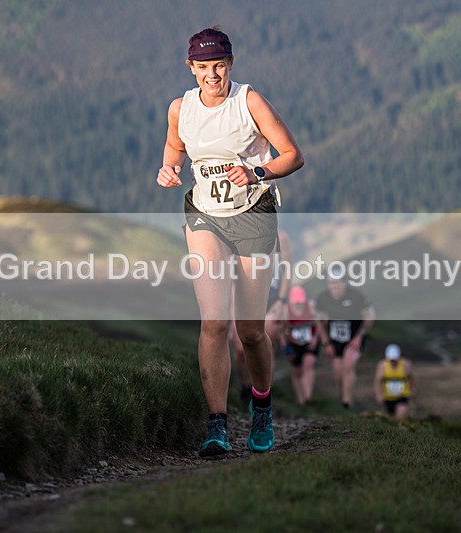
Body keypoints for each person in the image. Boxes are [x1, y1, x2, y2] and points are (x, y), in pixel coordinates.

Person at [157, 27, 304, 456]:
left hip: (254, 218)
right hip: (205, 218)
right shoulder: (180, 108)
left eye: (219, 65)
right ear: (191, 68)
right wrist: (168, 170)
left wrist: (258, 173)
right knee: (215, 323)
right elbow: (174, 148)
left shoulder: (249, 102)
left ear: (231, 64)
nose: (212, 75)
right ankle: (217, 425)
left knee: (251, 331)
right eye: (203, 67)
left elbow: (293, 155)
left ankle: (261, 407)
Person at [231, 228, 292, 403]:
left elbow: (287, 269)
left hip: (271, 299)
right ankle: (245, 387)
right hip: (245, 298)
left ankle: (263, 397)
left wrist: (282, 300)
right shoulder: (239, 233)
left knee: (265, 345)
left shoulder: (281, 237)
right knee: (241, 349)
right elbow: (233, 276)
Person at [315, 266, 375, 409]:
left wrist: (359, 336)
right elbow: (317, 320)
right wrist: (325, 342)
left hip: (354, 338)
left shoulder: (356, 296)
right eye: (331, 283)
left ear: (344, 283)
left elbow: (370, 315)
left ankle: (347, 402)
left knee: (348, 366)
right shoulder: (322, 298)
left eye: (337, 283)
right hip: (334, 340)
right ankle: (343, 398)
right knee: (339, 373)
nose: (334, 287)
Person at [280, 285, 319, 405]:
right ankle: (300, 399)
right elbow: (282, 332)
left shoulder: (311, 306)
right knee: (297, 371)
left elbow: (319, 325)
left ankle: (308, 396)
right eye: (295, 302)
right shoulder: (286, 311)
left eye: (300, 302)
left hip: (310, 342)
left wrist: (315, 339)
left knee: (308, 364)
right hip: (294, 344)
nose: (298, 304)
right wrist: (286, 348)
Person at [374, 344, 417, 420]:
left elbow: (412, 378)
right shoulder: (382, 365)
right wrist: (379, 395)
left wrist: (413, 390)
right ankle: (394, 431)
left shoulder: (405, 364)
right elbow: (378, 381)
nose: (393, 361)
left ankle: (400, 429)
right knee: (391, 418)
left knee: (400, 414)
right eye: (391, 359)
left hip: (402, 395)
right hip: (388, 397)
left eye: (395, 359)